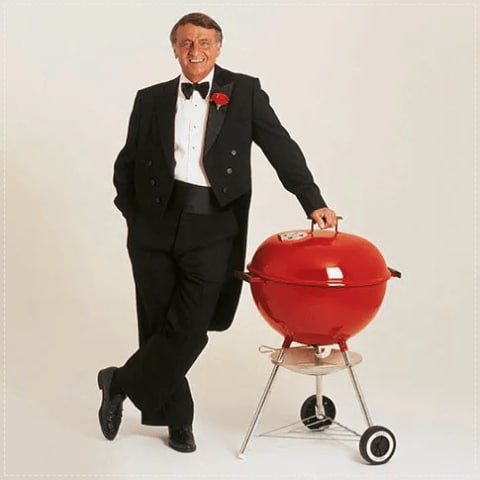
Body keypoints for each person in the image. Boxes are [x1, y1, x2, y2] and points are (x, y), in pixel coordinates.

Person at [97, 12, 337, 453]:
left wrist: (313, 200)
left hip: (212, 226)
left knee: (190, 328)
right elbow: (126, 162)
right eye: (186, 43)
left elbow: (280, 146)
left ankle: (119, 382)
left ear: (219, 48)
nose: (196, 51)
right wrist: (133, 215)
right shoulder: (149, 99)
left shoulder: (244, 91)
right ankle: (178, 421)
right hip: (154, 226)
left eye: (204, 42)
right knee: (160, 324)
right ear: (174, 49)